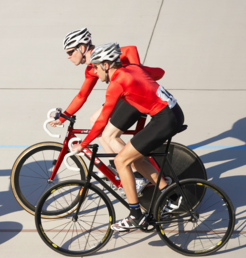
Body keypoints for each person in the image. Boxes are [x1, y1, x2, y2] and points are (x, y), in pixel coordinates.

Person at [71, 43, 184, 231]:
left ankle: (134, 215)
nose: (95, 72)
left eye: (96, 67)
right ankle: (172, 198)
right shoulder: (132, 68)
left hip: (165, 119)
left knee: (121, 161)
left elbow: (101, 122)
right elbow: (158, 72)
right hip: (171, 113)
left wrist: (83, 144)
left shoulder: (116, 84)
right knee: (136, 159)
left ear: (106, 65)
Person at [52, 28, 165, 194]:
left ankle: (135, 173)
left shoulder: (107, 54)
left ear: (82, 48)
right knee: (94, 119)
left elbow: (131, 49)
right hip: (122, 97)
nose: (68, 56)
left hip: (133, 96)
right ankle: (117, 168)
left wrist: (135, 71)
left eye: (70, 51)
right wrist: (64, 117)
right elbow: (82, 96)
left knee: (109, 135)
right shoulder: (91, 69)